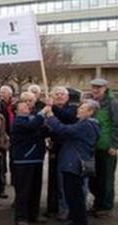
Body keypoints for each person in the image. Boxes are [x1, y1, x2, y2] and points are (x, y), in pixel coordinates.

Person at [45, 99, 101, 225]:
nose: (78, 110)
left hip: (74, 164)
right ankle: (75, 218)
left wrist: (51, 117)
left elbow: (64, 130)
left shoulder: (87, 124)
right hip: (72, 163)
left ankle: (79, 221)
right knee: (72, 194)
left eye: (82, 109)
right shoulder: (84, 124)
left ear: (91, 112)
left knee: (75, 195)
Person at [11, 100, 48, 225]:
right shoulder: (18, 122)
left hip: (37, 158)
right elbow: (31, 127)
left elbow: (44, 131)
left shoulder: (34, 120)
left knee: (35, 189)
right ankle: (21, 217)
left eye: (27, 105)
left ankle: (33, 215)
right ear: (17, 111)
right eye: (23, 105)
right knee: (24, 190)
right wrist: (43, 112)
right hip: (23, 160)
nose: (27, 106)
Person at [46, 86, 78, 220]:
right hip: (54, 147)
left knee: (64, 180)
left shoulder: (72, 108)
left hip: (68, 148)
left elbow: (67, 117)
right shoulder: (49, 109)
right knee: (53, 179)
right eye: (56, 94)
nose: (59, 96)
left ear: (67, 97)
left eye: (62, 94)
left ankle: (66, 209)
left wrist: (52, 108)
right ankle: (53, 207)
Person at [88, 78, 118, 218]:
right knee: (94, 178)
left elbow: (116, 125)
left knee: (106, 179)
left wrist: (114, 145)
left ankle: (105, 206)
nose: (95, 90)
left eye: (98, 88)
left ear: (105, 88)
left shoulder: (112, 103)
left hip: (107, 147)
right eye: (94, 87)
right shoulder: (93, 103)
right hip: (93, 146)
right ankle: (97, 203)